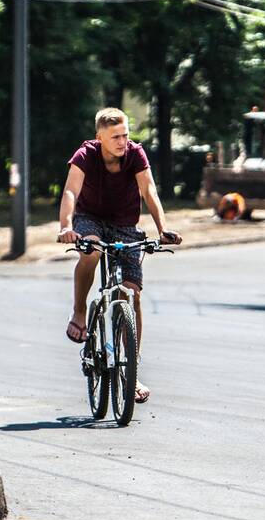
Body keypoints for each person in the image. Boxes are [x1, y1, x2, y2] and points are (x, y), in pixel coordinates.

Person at [56, 107, 182, 403]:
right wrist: (66, 226)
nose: (122, 141)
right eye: (115, 137)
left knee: (133, 294)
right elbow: (71, 192)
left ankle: (132, 371)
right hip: (90, 219)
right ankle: (80, 312)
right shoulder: (85, 155)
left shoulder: (135, 155)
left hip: (125, 224)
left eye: (125, 135)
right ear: (99, 137)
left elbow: (149, 191)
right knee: (90, 249)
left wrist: (163, 229)